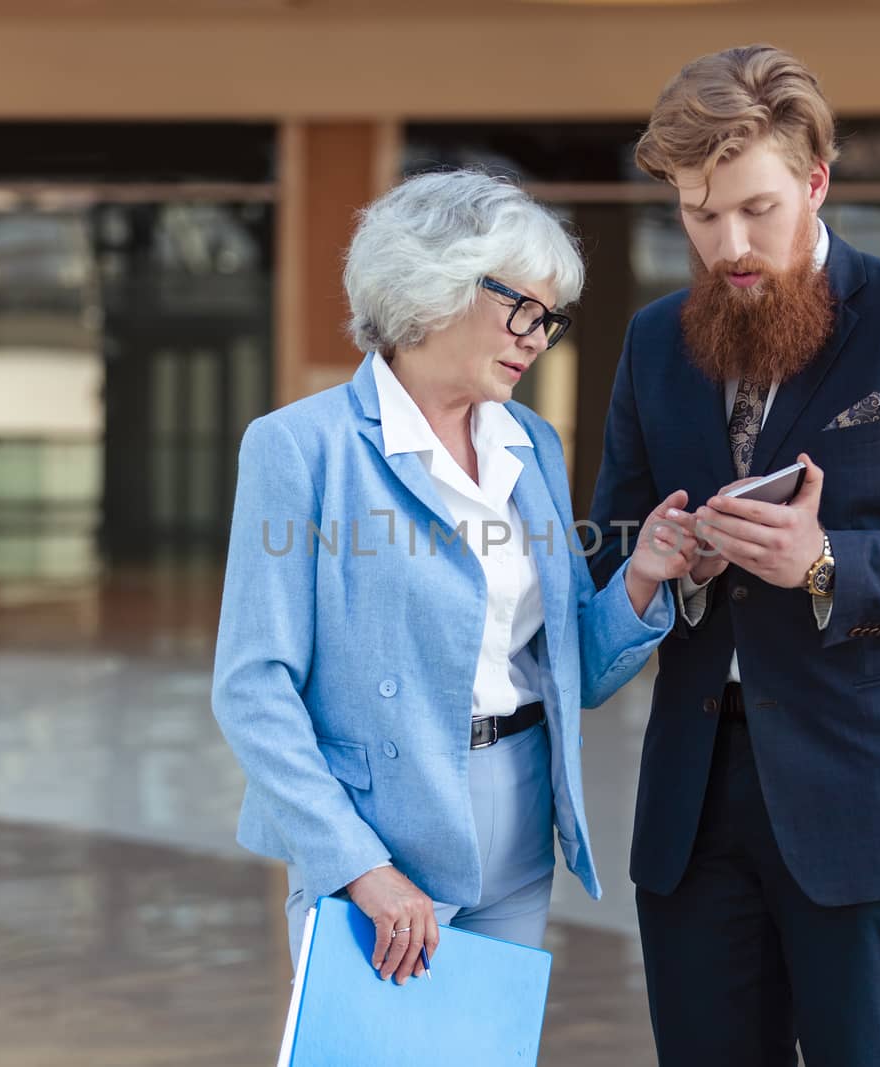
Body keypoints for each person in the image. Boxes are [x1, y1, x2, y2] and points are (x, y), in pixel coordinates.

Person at [587, 45, 880, 1065]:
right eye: (700, 215)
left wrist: (827, 560)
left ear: (816, 180)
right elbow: (605, 545)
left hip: (870, 805)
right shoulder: (654, 341)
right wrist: (659, 567)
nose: (730, 244)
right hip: (691, 809)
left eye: (756, 207)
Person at [213, 170, 697, 986]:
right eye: (523, 311)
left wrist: (645, 570)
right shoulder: (300, 448)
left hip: (520, 825)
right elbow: (253, 688)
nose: (538, 338)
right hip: (380, 836)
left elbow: (570, 666)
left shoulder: (530, 444)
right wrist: (359, 865)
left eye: (551, 320)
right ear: (434, 283)